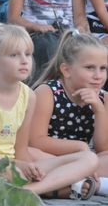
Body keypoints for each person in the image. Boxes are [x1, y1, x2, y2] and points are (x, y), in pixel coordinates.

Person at [0, 23, 99, 199]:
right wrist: (17, 164)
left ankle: (29, 190)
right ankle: (60, 187)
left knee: (89, 158)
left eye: (28, 54)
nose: (24, 60)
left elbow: (20, 149)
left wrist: (29, 168)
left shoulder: (28, 95)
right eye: (14, 55)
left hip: (14, 165)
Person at [30, 31, 108, 196]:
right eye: (89, 68)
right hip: (49, 157)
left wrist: (99, 110)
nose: (98, 76)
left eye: (103, 69)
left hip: (85, 160)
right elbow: (36, 141)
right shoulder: (48, 92)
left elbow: (103, 148)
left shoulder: (104, 98)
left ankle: (74, 180)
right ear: (66, 70)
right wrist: (79, 148)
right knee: (29, 154)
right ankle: (83, 181)